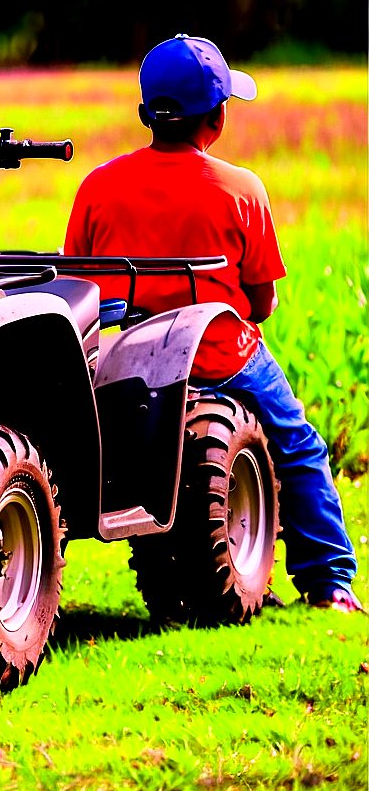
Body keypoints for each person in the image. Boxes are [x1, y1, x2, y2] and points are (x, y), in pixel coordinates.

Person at [65, 33, 361, 613]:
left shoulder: (98, 186)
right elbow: (262, 300)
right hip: (218, 355)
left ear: (146, 113)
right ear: (219, 117)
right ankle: (330, 583)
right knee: (299, 446)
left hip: (123, 360)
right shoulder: (241, 189)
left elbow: (79, 284)